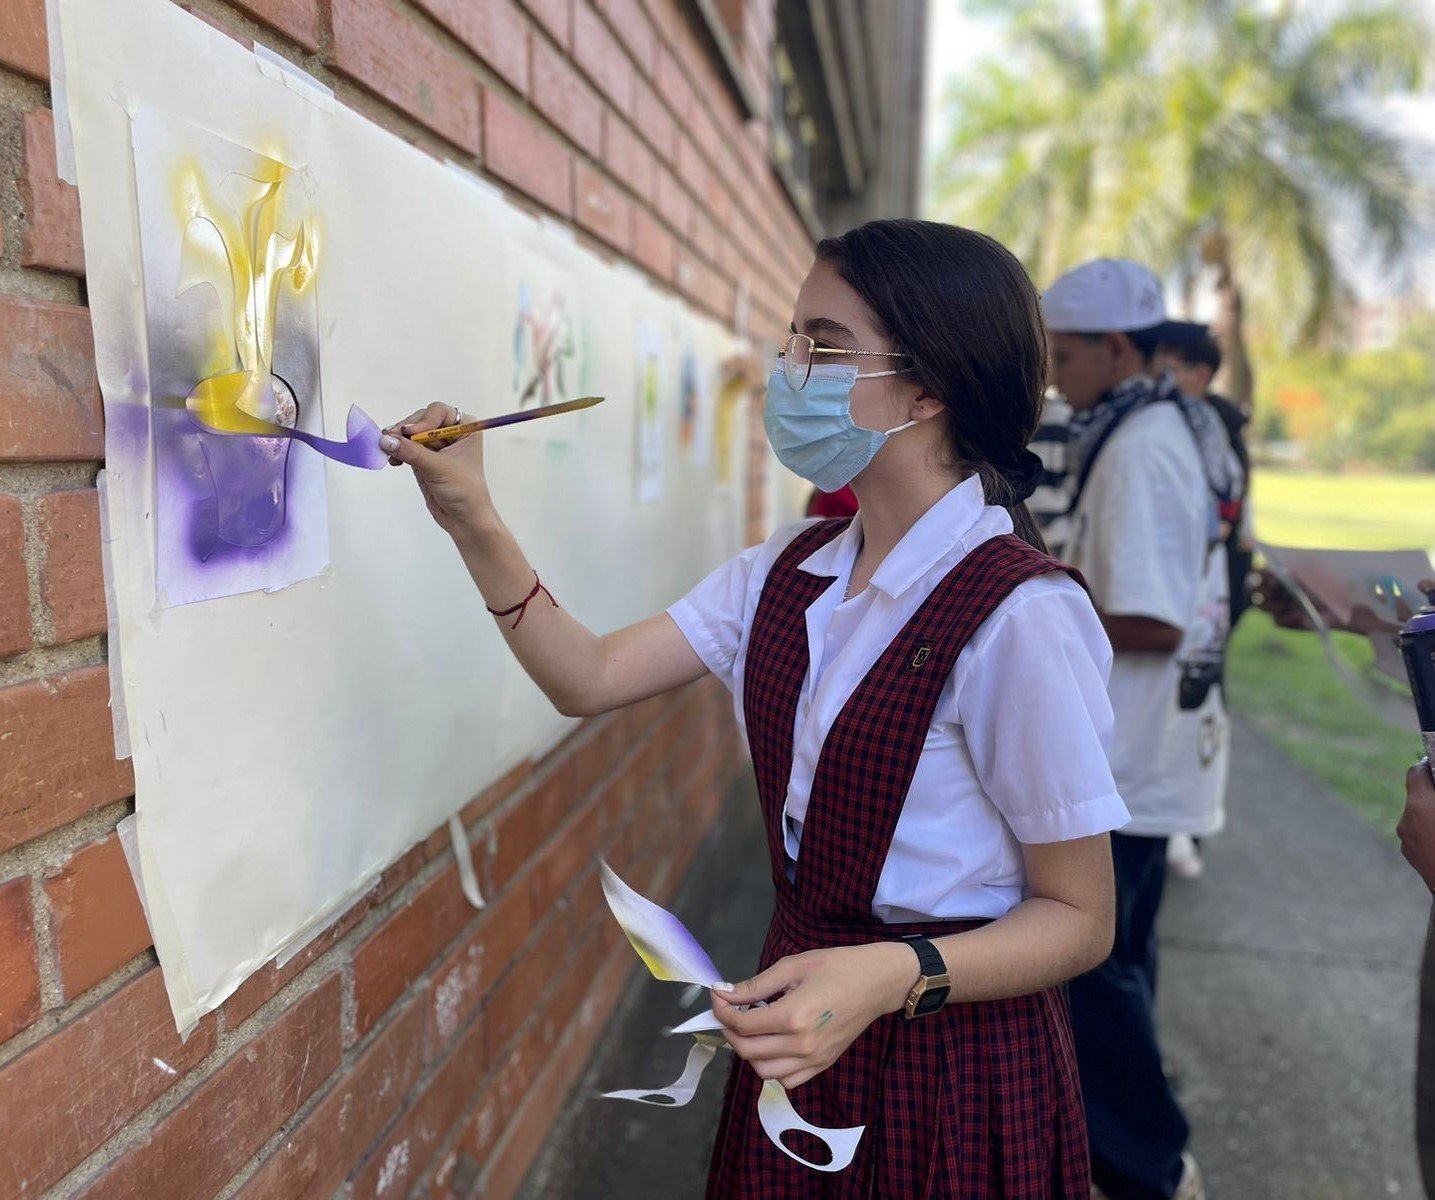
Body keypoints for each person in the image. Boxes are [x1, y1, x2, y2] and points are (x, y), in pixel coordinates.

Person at [381, 219, 1129, 1196]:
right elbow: (588, 676)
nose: (788, 371)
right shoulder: (787, 570)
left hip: (952, 1060)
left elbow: (1081, 919)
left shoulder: (1018, 615)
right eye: (790, 341)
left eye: (820, 345)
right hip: (798, 1038)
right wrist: (472, 516)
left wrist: (891, 975)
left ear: (927, 387)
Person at [1043, 258, 1237, 1200]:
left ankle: (1143, 1167)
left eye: (1064, 356)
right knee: (1119, 967)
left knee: (1094, 977)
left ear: (1117, 348)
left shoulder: (1143, 445)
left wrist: (1037, 606)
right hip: (1144, 758)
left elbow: (1153, 622)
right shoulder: (1150, 426)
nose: (1053, 376)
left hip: (1129, 758)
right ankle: (1121, 1150)